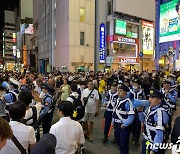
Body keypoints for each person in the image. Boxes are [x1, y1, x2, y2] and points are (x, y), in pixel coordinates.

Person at [139, 88, 169, 154]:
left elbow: (159, 133)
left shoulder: (160, 113)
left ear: (159, 100)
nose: (149, 99)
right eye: (149, 97)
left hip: (154, 144)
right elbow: (143, 120)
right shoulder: (149, 108)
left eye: (153, 98)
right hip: (147, 141)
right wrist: (140, 111)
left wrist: (154, 149)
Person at [112, 83, 135, 154]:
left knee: (123, 144)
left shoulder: (128, 102)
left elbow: (131, 116)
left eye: (121, 91)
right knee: (118, 142)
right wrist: (113, 122)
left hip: (123, 127)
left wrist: (125, 124)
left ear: (125, 92)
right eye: (118, 90)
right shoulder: (118, 100)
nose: (118, 92)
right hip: (116, 125)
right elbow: (115, 111)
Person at [129, 79, 146, 145]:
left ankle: (137, 139)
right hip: (132, 110)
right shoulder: (130, 92)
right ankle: (133, 134)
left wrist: (142, 107)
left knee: (138, 125)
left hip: (139, 111)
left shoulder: (142, 92)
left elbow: (144, 101)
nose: (135, 85)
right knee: (131, 124)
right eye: (134, 84)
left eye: (136, 84)